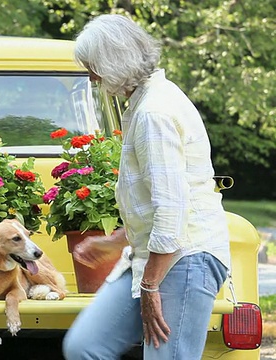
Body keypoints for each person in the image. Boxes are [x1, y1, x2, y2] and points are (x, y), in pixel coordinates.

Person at [62, 14, 231, 359]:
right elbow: (157, 200)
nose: (91, 77)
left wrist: (150, 286)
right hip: (154, 255)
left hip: (186, 257)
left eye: (93, 67)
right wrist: (115, 240)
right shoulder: (144, 102)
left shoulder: (154, 112)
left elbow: (172, 209)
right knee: (85, 347)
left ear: (114, 61)